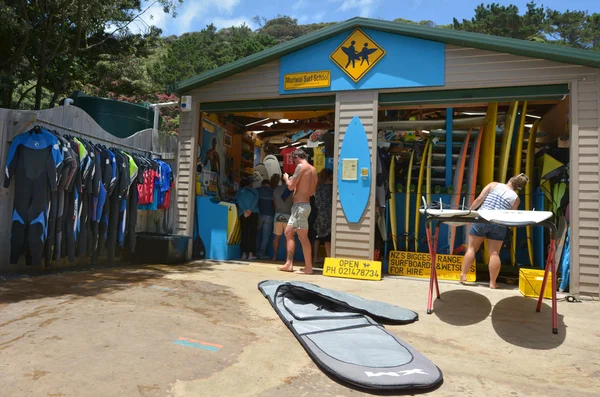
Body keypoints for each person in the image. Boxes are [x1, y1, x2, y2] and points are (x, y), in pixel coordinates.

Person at [459, 173, 530, 289]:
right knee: (494, 253)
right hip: (498, 223)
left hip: (482, 219)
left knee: (472, 248)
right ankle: (492, 282)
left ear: (511, 179)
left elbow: (479, 199)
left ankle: (463, 275)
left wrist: (469, 212)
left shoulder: (493, 185)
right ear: (519, 188)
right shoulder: (516, 199)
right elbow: (510, 215)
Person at [278, 149, 318, 274]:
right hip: (304, 205)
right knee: (288, 232)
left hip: (300, 206)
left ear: (296, 157)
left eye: (293, 160)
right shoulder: (313, 170)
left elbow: (290, 186)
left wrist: (286, 178)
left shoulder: (301, 167)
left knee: (303, 237)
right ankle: (289, 264)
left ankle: (308, 268)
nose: (294, 163)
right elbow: (311, 192)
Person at [235, 178, 259, 260]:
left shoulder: (239, 192)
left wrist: (245, 211)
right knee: (252, 234)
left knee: (244, 234)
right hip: (253, 213)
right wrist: (250, 210)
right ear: (249, 184)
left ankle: (244, 254)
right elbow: (256, 200)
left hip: (243, 214)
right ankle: (251, 254)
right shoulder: (254, 191)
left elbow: (239, 201)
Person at [313, 168, 333, 263]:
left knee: (319, 236)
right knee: (328, 238)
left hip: (320, 214)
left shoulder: (318, 187)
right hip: (329, 214)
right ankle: (329, 258)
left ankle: (316, 257)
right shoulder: (331, 187)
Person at [271, 174, 293, 261]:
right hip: (288, 215)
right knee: (288, 238)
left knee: (277, 237)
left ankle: (275, 256)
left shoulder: (276, 189)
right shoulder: (291, 189)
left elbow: (274, 204)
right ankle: (287, 258)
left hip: (278, 215)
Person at [256, 179, 274, 258]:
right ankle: (262, 253)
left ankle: (255, 252)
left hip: (259, 214)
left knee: (257, 234)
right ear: (269, 184)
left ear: (262, 184)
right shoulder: (273, 191)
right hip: (269, 215)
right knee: (265, 236)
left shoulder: (257, 190)